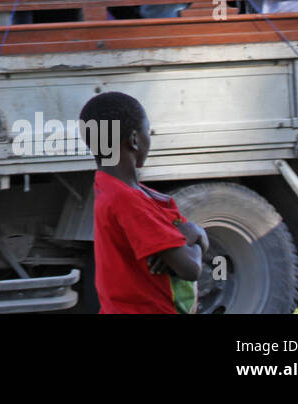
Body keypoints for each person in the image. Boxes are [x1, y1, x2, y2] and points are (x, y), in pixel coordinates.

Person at [78, 91, 209, 314]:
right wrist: (196, 233)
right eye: (147, 131)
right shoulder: (129, 200)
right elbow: (191, 269)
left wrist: (190, 236)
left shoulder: (108, 186)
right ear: (134, 140)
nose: (149, 138)